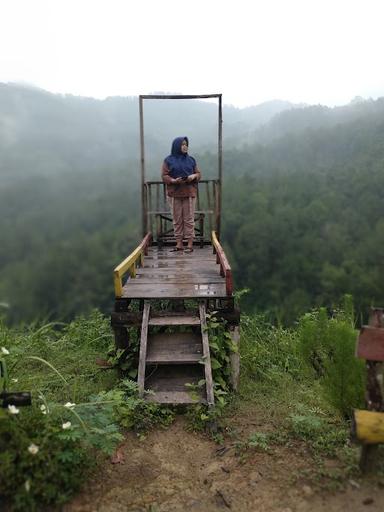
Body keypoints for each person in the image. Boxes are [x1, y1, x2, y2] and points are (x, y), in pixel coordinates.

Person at [161, 136, 201, 252]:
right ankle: (179, 243)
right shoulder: (168, 160)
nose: (185, 146)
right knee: (177, 218)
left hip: (189, 192)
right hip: (174, 194)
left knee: (189, 218)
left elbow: (198, 173)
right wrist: (174, 181)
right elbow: (164, 176)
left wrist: (193, 176)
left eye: (186, 144)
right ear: (176, 146)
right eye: (182, 144)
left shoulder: (191, 160)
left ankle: (189, 244)